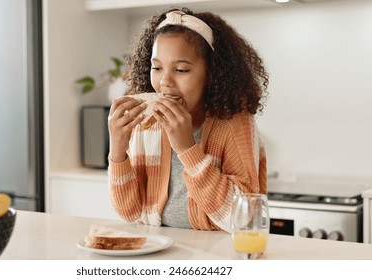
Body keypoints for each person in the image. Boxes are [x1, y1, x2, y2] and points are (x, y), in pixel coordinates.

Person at [107, 7, 268, 233]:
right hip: (160, 251)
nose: (165, 81)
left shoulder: (234, 124)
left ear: (211, 73)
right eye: (156, 67)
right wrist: (118, 152)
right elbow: (131, 213)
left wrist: (187, 149)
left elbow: (245, 220)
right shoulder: (147, 126)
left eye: (181, 70)